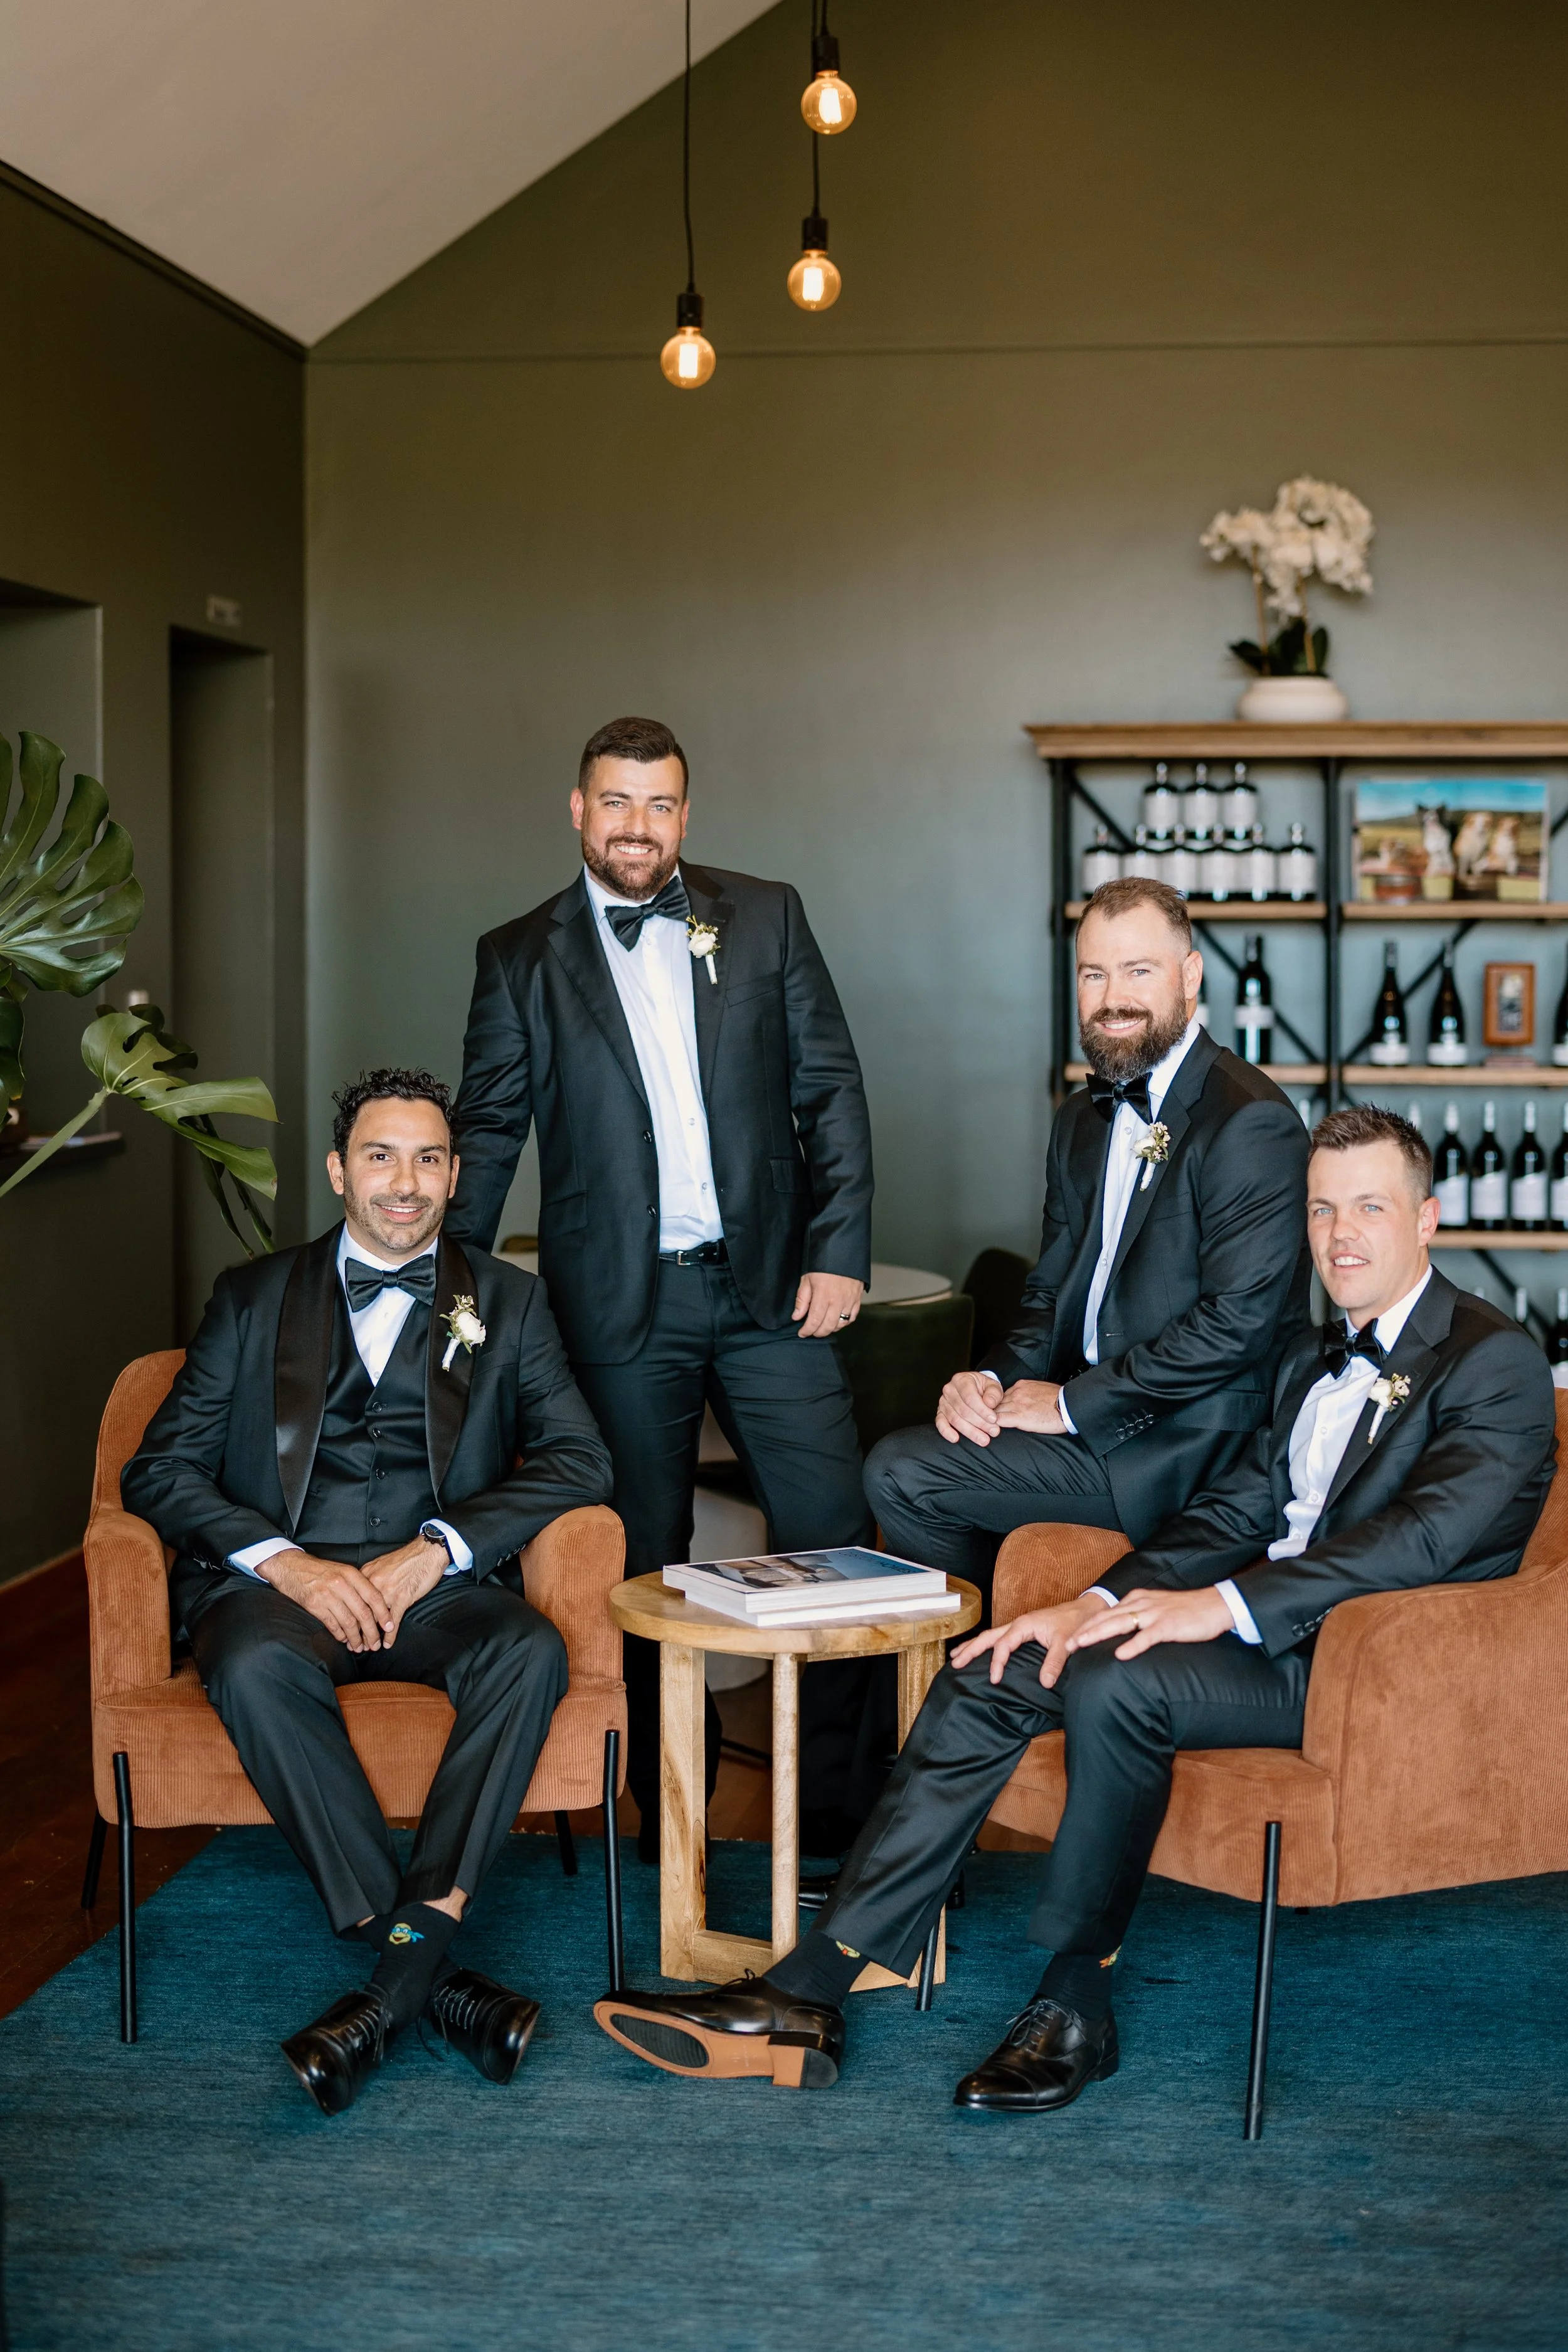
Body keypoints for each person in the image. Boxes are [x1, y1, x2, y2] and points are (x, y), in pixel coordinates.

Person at [594, 1106, 1556, 2106]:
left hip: (1366, 1670)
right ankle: (810, 1987)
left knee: (1115, 1679)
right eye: (1322, 1209)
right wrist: (1094, 1599)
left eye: (1369, 1207)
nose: (1340, 1234)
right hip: (1251, 1633)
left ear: (1429, 1217)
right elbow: (1237, 1508)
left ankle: (1075, 2004)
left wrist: (1218, 1605)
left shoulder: (1494, 1361)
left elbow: (1422, 1542)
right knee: (999, 1666)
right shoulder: (1313, 1356)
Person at [123, 1069, 612, 2116]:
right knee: (250, 1662)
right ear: (341, 1170)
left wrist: (438, 1549)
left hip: (431, 1587)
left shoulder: (508, 1302)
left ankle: (390, 1990)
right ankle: (432, 1978)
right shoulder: (253, 1297)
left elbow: (580, 1460)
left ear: (456, 1176)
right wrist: (286, 1564)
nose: (405, 1183)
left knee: (529, 1647)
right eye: (382, 1157)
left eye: (429, 1159)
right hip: (281, 1590)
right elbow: (159, 1472)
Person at [445, 715, 876, 1853]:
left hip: (776, 1289)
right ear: (578, 809)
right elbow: (488, 1134)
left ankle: (843, 1823)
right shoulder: (518, 956)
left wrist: (839, 1249)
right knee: (642, 1555)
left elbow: (829, 1087)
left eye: (662, 805)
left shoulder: (766, 913)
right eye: (618, 804)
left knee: (837, 1532)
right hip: (619, 1304)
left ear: (687, 813)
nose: (639, 828)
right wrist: (452, 1293)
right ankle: (655, 1818)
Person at [864, 876, 1311, 1610]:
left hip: (1189, 1445)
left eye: (1139, 971)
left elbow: (1238, 1326)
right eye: (1094, 974)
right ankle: (978, 1675)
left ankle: (967, 1685)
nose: (1113, 997)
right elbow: (1050, 1292)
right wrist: (991, 1383)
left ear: (1190, 978)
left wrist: (1072, 1406)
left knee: (899, 1470)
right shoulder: (1081, 1118)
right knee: (925, 1453)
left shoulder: (1250, 1121)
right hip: (1095, 1425)